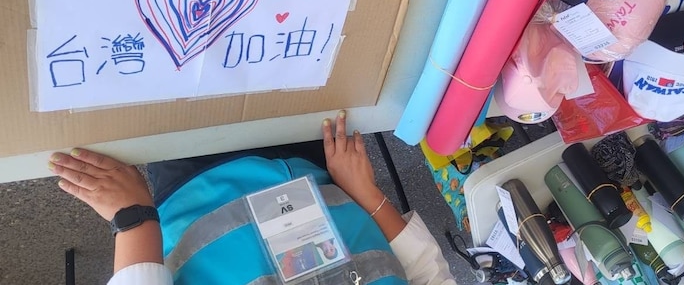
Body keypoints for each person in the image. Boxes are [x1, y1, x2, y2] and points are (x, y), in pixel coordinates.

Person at [48, 110, 457, 285]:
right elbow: (427, 272)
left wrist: (133, 218)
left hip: (197, 182)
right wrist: (365, 192)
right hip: (317, 168)